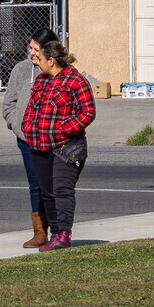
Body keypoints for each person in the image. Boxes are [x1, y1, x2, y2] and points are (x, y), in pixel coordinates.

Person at [22, 41, 95, 251]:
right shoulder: (41, 81)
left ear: (51, 60)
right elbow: (31, 107)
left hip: (67, 147)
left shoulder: (75, 81)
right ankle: (54, 234)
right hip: (39, 146)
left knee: (62, 189)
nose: (37, 61)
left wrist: (65, 128)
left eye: (41, 58)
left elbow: (87, 112)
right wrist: (28, 128)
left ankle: (64, 234)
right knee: (47, 192)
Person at [2, 27, 59, 248]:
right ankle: (39, 232)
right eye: (30, 47)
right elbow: (9, 103)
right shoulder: (21, 69)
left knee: (54, 185)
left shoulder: (57, 70)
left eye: (36, 49)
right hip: (27, 140)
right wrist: (17, 126)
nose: (31, 52)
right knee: (35, 185)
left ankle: (59, 230)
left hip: (53, 139)